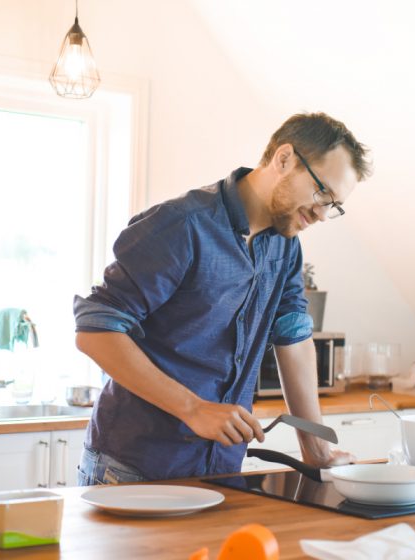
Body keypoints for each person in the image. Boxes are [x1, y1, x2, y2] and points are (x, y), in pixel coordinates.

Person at [73, 112, 372, 484]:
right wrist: (193, 408)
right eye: (322, 192)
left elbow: (294, 340)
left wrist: (316, 448)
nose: (324, 214)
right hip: (136, 465)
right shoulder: (182, 225)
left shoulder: (286, 247)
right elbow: (95, 330)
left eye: (335, 205)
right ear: (283, 159)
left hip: (221, 468)